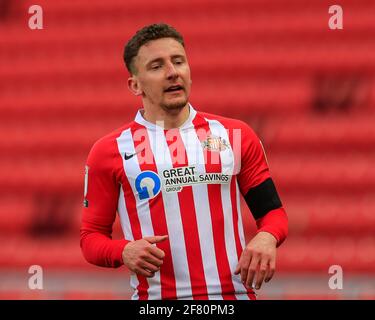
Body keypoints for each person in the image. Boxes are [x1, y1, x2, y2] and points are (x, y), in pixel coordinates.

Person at [80, 23, 288, 300]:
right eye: (156, 66)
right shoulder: (109, 150)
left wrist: (267, 237)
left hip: (232, 297)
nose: (172, 72)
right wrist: (123, 251)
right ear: (135, 85)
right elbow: (91, 238)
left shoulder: (235, 135)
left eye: (178, 61)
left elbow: (274, 213)